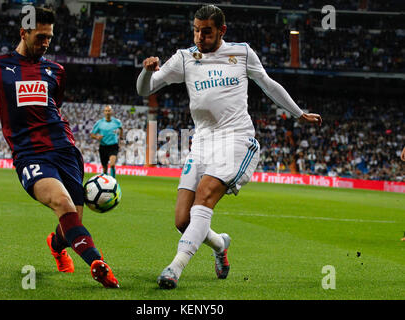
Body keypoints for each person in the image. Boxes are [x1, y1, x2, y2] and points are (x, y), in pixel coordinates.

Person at [137, 5, 322, 289]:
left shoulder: (242, 52)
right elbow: (145, 90)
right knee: (182, 220)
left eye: (206, 31)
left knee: (205, 195)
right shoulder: (185, 58)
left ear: (222, 30)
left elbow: (268, 84)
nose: (199, 36)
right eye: (196, 30)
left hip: (235, 139)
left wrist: (299, 113)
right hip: (201, 142)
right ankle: (220, 243)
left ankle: (175, 267)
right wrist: (146, 72)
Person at [0, 7, 119, 288]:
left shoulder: (56, 70)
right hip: (29, 154)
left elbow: (53, 107)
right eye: (41, 37)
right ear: (24, 33)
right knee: (62, 202)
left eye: (50, 38)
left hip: (65, 150)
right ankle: (97, 262)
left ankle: (56, 246)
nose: (46, 43)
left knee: (70, 224)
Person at [90, 105, 123, 178]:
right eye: (106, 111)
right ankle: (106, 183)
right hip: (103, 146)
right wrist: (97, 137)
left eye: (109, 111)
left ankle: (114, 181)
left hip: (113, 146)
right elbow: (92, 134)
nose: (108, 112)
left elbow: (121, 128)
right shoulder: (99, 123)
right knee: (105, 168)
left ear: (112, 112)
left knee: (112, 164)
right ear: (104, 112)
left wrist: (121, 138)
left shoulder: (116, 122)